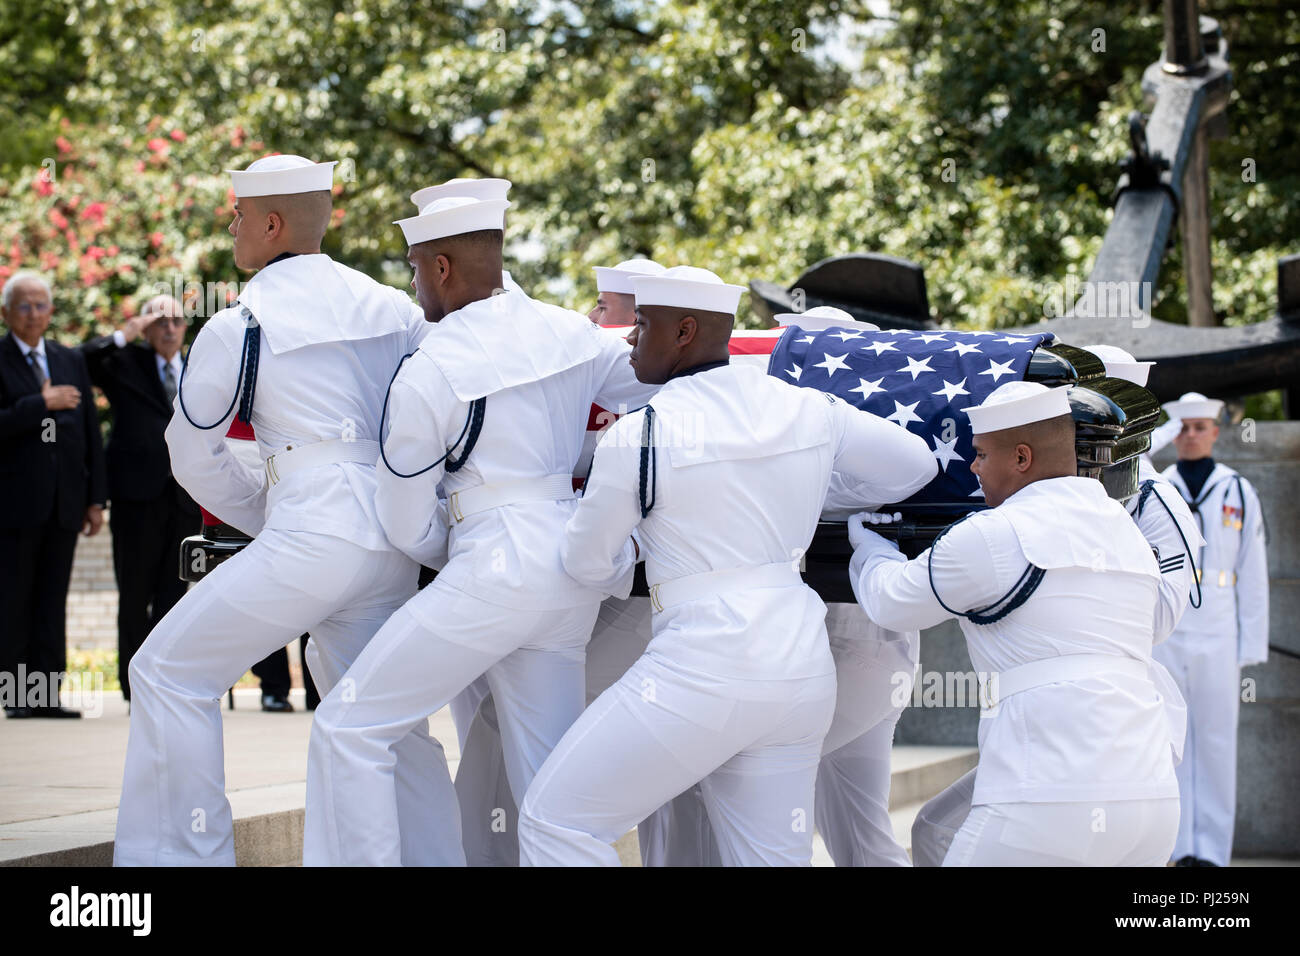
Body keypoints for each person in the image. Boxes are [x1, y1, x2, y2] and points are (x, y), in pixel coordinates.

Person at [517, 266, 938, 866]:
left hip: (700, 667)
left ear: (684, 331)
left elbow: (585, 564)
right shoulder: (807, 408)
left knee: (553, 820)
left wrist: (633, 553)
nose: (630, 338)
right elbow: (915, 468)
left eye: (641, 323)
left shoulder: (640, 434)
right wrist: (818, 492)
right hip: (799, 670)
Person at [113, 154, 457, 866]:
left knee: (167, 673)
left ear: (271, 224)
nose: (231, 224)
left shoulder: (243, 322)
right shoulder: (394, 308)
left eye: (238, 213)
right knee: (383, 717)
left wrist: (270, 520)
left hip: (309, 525)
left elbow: (192, 452)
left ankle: (182, 861)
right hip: (389, 538)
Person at [304, 191, 660, 866]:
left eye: (414, 269)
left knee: (350, 725)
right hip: (569, 572)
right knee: (553, 793)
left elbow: (407, 520)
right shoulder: (571, 332)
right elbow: (649, 388)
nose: (413, 285)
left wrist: (464, 549)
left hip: (491, 565)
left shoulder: (432, 366)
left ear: (441, 268)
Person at [852, 381, 1183, 865]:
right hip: (1150, 798)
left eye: (983, 454)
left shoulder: (996, 533)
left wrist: (871, 550)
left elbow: (891, 603)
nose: (973, 467)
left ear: (1022, 458)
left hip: (1047, 799)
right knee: (934, 831)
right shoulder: (1125, 531)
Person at [1153, 391, 1269, 866]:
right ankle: (1179, 848)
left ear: (1216, 432)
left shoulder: (1237, 489)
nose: (1191, 435)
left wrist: (1250, 642)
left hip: (1219, 627)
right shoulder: (1160, 485)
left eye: (1200, 427)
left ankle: (1213, 853)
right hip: (1172, 625)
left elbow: (1254, 569)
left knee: (1218, 740)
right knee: (1172, 738)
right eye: (1184, 428)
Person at [80, 295, 199, 704]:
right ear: (146, 326)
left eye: (177, 321)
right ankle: (133, 686)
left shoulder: (198, 367)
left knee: (173, 594)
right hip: (135, 496)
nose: (169, 328)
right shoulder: (125, 362)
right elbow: (82, 361)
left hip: (184, 497)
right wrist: (124, 332)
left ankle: (162, 681)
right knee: (134, 593)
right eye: (159, 320)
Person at [1, 271, 106, 719]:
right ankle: (16, 696)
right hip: (15, 505)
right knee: (14, 601)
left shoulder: (68, 360)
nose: (34, 314)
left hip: (64, 502)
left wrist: (95, 498)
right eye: (24, 305)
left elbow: (89, 433)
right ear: (6, 312)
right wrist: (38, 405)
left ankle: (45, 696)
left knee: (51, 601)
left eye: (41, 305)